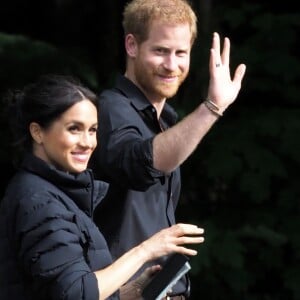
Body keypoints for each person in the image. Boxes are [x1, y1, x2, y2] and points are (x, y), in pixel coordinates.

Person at [89, 0, 246, 298]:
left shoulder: (167, 120)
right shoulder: (109, 109)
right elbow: (143, 163)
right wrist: (212, 108)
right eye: (160, 51)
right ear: (132, 45)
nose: (171, 65)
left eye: (180, 53)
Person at [0, 74, 205, 300]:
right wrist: (146, 250)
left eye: (93, 130)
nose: (87, 143)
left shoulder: (55, 194)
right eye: (74, 129)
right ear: (38, 132)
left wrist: (132, 291)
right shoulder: (39, 201)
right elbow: (76, 293)